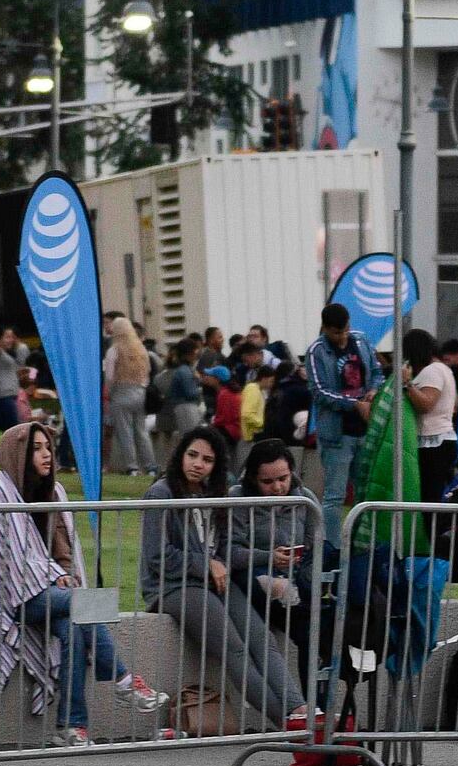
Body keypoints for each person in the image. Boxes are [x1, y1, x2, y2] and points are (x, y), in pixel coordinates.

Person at [0, 421, 166, 746]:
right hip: (9, 595)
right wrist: (53, 576)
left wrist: (62, 573)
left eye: (48, 448)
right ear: (17, 453)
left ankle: (71, 726)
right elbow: (7, 559)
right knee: (92, 604)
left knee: (73, 629)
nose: (46, 455)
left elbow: (62, 550)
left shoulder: (53, 491)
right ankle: (124, 680)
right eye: (36, 448)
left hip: (49, 594)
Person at [143, 428, 309, 731]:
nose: (198, 464)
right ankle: (288, 723)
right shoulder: (162, 492)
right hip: (174, 585)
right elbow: (158, 556)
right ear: (180, 453)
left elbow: (224, 549)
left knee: (262, 638)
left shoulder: (216, 492)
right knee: (235, 648)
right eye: (192, 455)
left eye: (207, 459)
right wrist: (206, 564)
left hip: (214, 580)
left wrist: (226, 562)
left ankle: (300, 709)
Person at [231, 439, 321, 666]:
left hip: (297, 576)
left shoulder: (305, 498)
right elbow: (230, 552)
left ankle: (315, 700)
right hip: (254, 578)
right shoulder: (237, 497)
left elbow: (317, 544)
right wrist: (269, 556)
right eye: (267, 481)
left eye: (283, 478)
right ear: (253, 478)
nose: (278, 487)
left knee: (313, 633)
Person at [304, 304, 381, 529]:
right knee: (335, 496)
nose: (343, 336)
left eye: (346, 330)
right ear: (325, 328)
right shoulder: (316, 352)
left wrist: (374, 390)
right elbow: (320, 392)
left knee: (364, 495)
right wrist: (354, 404)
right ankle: (333, 549)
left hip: (365, 431)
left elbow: (377, 372)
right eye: (337, 332)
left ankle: (359, 544)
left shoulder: (361, 341)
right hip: (337, 435)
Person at [402, 327, 458, 500]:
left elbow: (426, 404)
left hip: (433, 444)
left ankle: (432, 528)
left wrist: (407, 384)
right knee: (436, 494)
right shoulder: (444, 369)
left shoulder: (431, 371)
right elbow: (455, 404)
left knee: (429, 496)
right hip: (445, 439)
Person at [105, 316, 153, 475]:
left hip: (121, 392)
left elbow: (110, 376)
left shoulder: (114, 350)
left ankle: (132, 466)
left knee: (125, 432)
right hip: (140, 392)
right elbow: (147, 373)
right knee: (142, 431)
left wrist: (110, 392)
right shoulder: (141, 348)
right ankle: (150, 465)